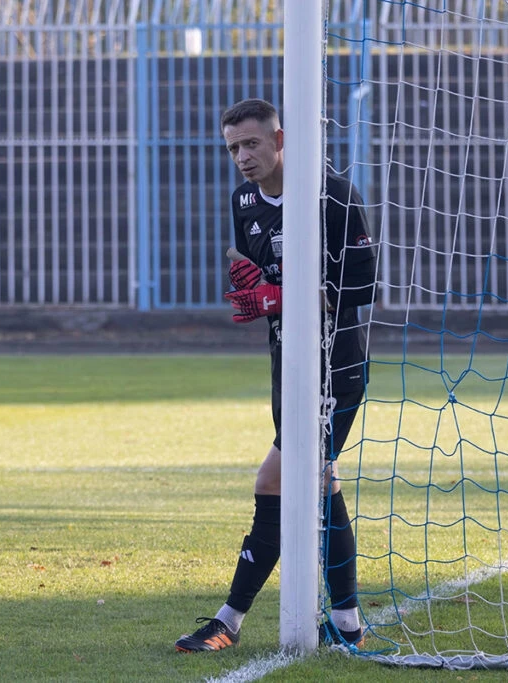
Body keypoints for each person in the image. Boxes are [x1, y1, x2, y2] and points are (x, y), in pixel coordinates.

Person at [175, 98, 377, 653]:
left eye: (252, 144)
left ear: (280, 139)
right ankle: (347, 624)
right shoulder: (244, 199)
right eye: (233, 148)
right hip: (286, 361)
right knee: (320, 482)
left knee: (275, 480)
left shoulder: (332, 195)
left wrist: (282, 296)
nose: (242, 156)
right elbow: (261, 277)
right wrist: (255, 287)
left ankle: (229, 619)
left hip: (335, 365)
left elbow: (362, 286)